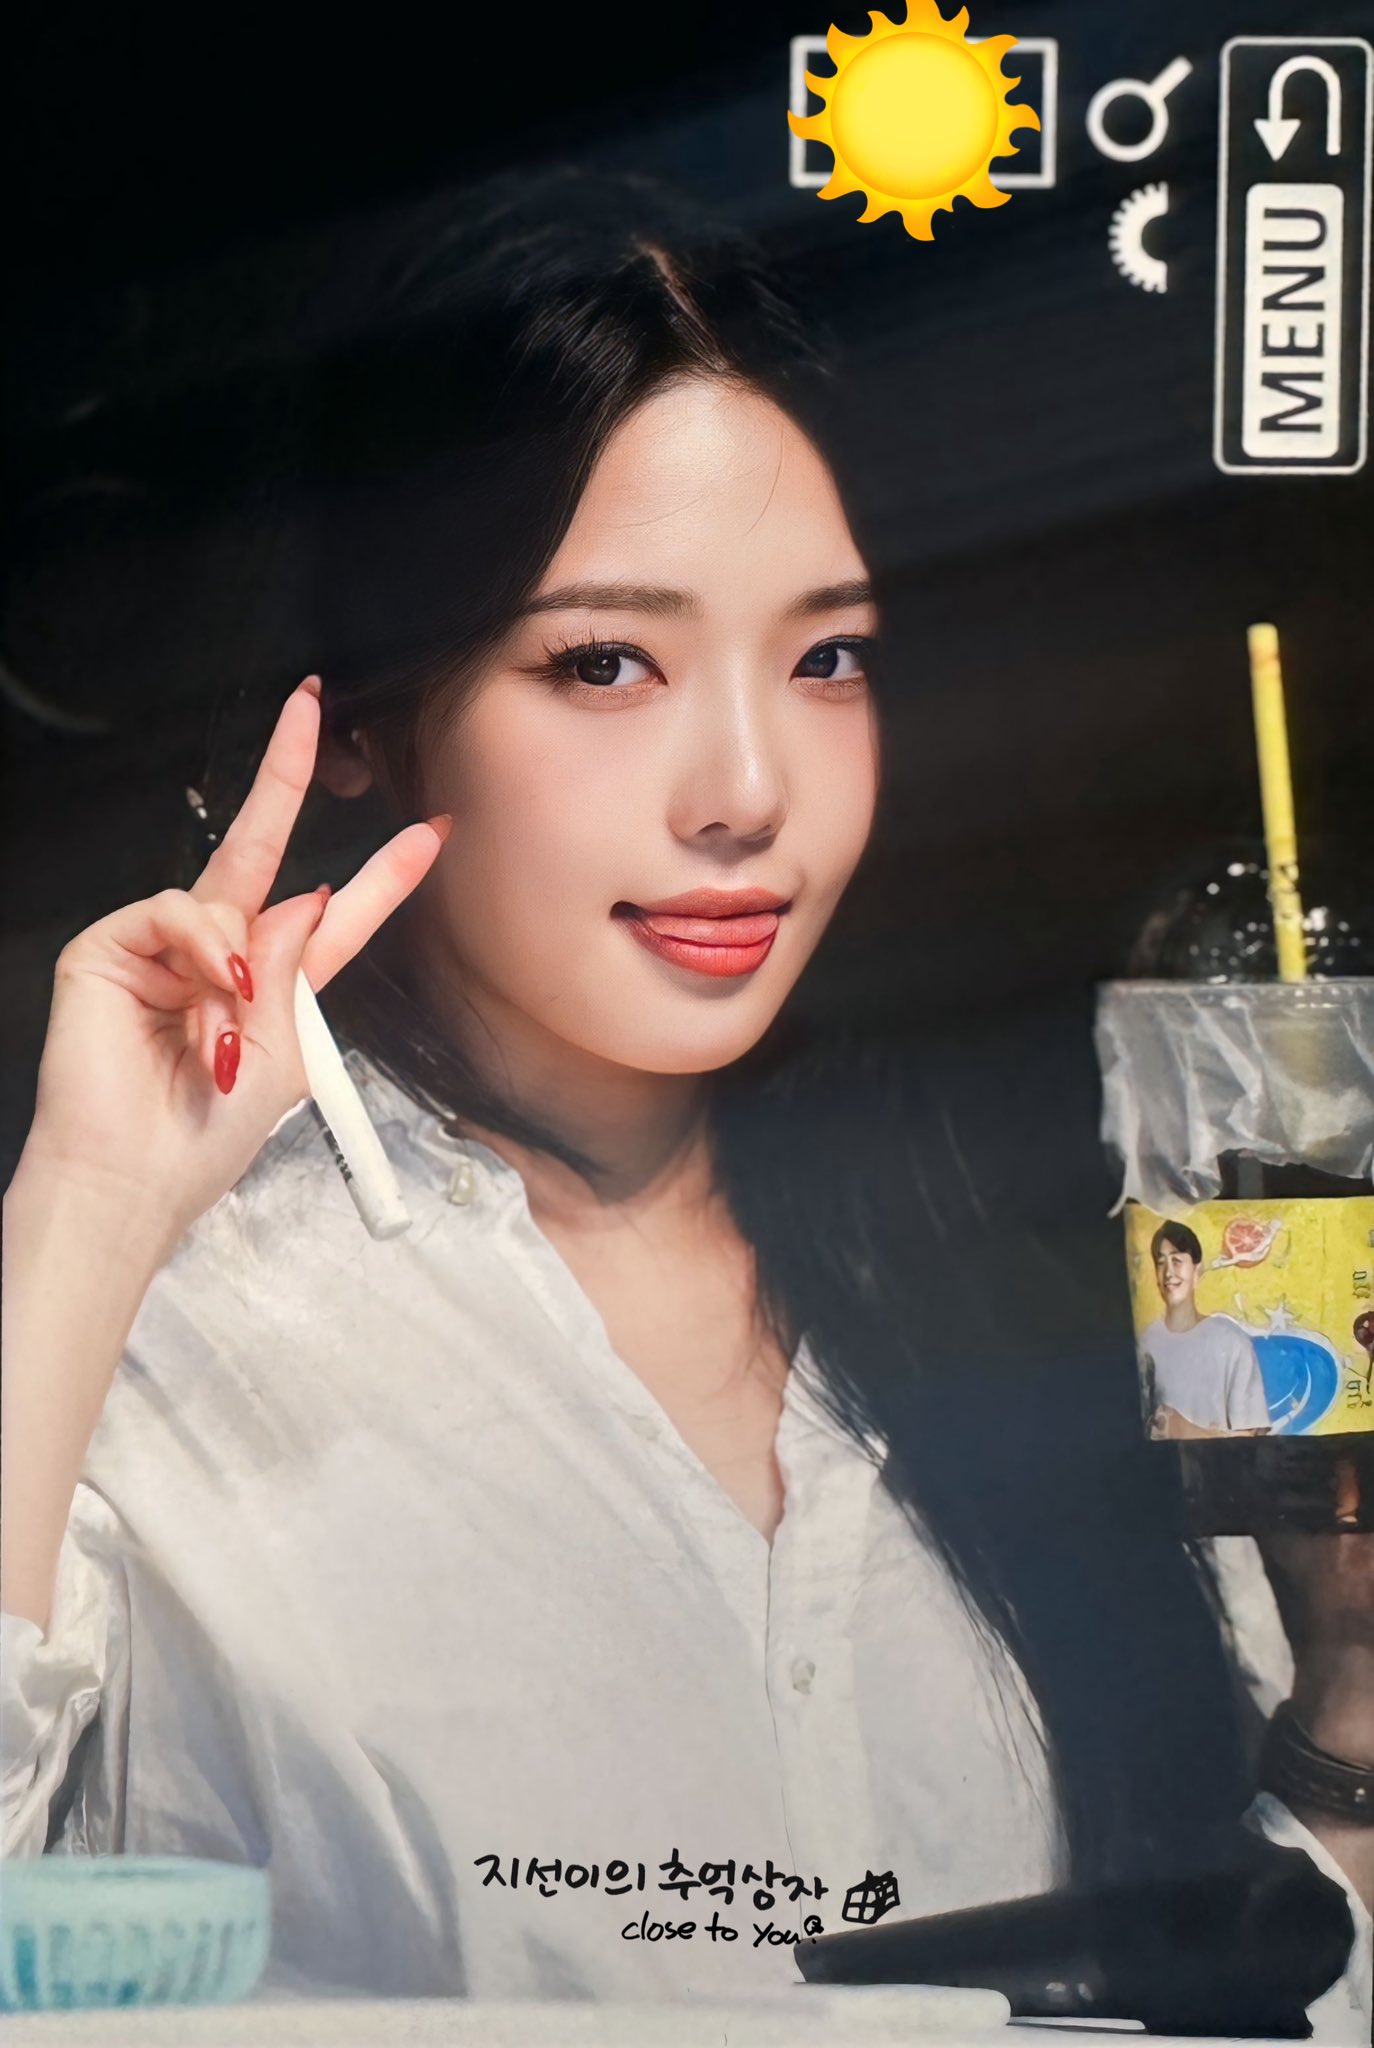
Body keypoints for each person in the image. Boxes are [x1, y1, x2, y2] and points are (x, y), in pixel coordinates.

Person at [2, 167, 1371, 2027]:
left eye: (825, 658)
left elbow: (1219, 1995)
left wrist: (1346, 1703)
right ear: (375, 717)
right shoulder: (155, 1332)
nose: (745, 789)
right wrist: (84, 1224)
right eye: (605, 662)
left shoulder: (1038, 1281)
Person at [1142, 1221, 1273, 1440]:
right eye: (1161, 1263)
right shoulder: (1146, 1343)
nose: (1168, 1273)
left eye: (1177, 1261)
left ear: (1197, 1271)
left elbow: (1252, 1437)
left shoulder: (1231, 1342)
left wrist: (1184, 1429)